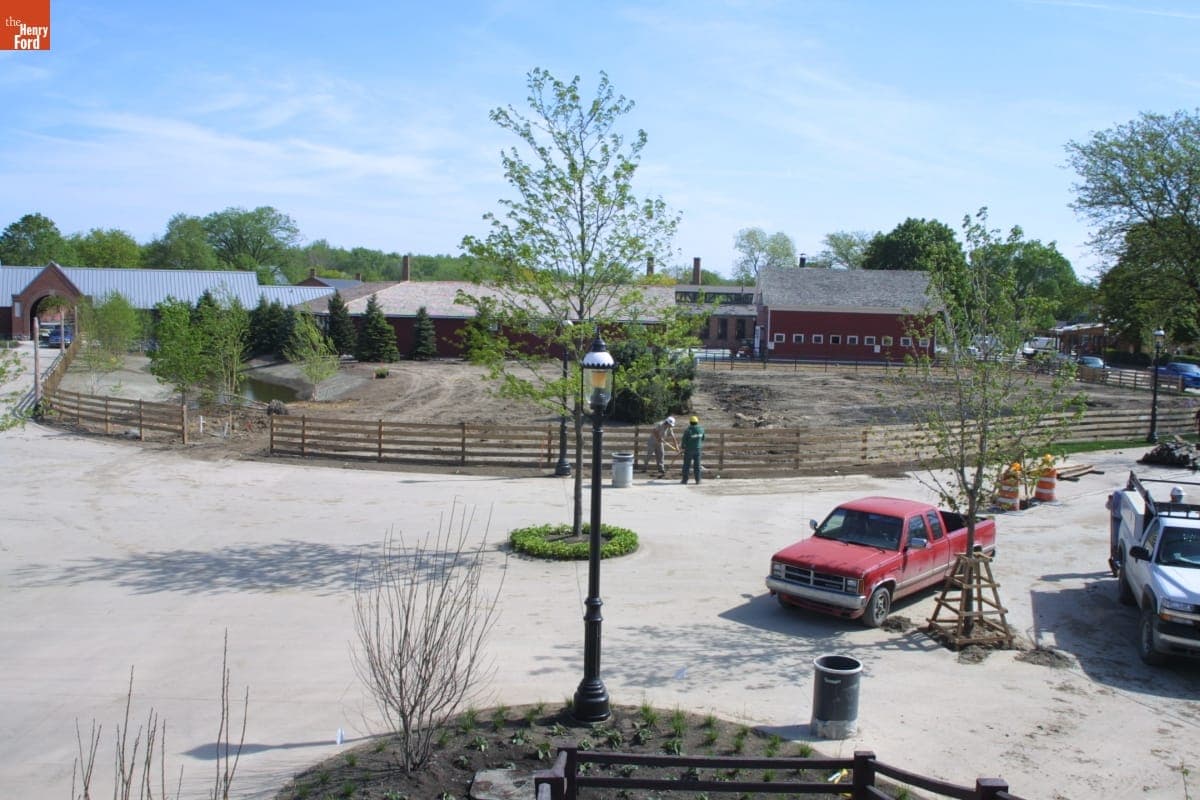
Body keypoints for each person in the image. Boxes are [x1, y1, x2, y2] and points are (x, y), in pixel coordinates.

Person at [680, 414, 706, 484]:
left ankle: (684, 480)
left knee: (686, 465)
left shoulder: (688, 430)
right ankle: (698, 480)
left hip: (689, 450)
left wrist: (682, 448)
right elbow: (703, 438)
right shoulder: (701, 429)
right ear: (697, 422)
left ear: (690, 422)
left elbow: (684, 440)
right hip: (698, 450)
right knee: (697, 466)